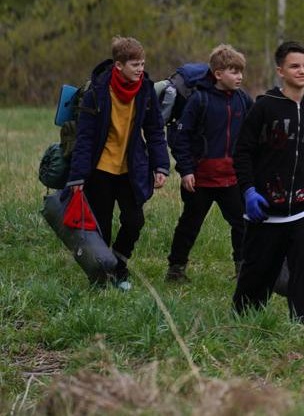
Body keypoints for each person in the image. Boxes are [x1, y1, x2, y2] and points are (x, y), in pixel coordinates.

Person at [232, 41, 304, 323]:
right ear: (280, 71)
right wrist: (249, 190)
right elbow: (243, 153)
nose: (302, 71)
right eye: (295, 66)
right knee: (257, 271)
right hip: (266, 206)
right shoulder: (264, 107)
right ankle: (245, 319)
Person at [65, 36, 170, 290]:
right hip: (99, 171)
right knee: (101, 227)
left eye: (143, 64)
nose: (140, 69)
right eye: (135, 64)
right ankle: (101, 276)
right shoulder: (97, 92)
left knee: (135, 222)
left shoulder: (145, 90)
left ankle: (119, 265)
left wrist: (161, 166)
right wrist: (77, 176)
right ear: (118, 65)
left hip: (131, 170)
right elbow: (85, 137)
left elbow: (155, 130)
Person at [165, 44, 254, 283]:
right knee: (190, 224)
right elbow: (181, 138)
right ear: (217, 74)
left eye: (241, 71)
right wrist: (185, 171)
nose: (240, 77)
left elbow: (255, 133)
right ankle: (176, 268)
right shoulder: (199, 100)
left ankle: (242, 268)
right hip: (199, 179)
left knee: (242, 224)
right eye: (233, 72)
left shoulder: (243, 100)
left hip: (232, 178)